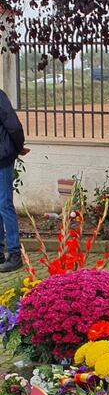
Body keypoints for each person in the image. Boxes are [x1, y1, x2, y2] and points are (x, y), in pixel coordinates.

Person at [0, 88, 29, 273]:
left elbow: (13, 126)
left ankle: (14, 253)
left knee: (4, 204)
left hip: (2, 158)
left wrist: (18, 147)